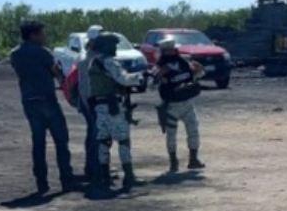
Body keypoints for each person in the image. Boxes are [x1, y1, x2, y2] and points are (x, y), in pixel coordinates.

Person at [9, 20, 75, 195]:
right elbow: (56, 72)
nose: (44, 37)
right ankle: (67, 180)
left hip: (29, 101)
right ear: (33, 34)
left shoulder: (15, 54)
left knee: (38, 143)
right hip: (47, 99)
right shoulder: (43, 52)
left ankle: (41, 183)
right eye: (41, 33)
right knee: (61, 140)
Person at [87, 32, 144, 193]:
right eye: (112, 45)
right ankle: (129, 177)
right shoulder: (109, 61)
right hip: (113, 106)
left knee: (104, 141)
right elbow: (123, 79)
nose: (115, 48)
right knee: (123, 141)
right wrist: (140, 76)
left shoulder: (93, 62)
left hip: (99, 106)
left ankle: (105, 177)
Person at [154, 39, 206, 172]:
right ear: (165, 51)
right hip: (171, 106)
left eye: (174, 49)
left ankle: (193, 159)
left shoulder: (184, 62)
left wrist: (199, 70)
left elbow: (198, 76)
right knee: (171, 135)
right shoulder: (159, 66)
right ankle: (173, 162)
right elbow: (150, 84)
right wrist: (159, 75)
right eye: (171, 49)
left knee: (193, 130)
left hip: (187, 103)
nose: (174, 51)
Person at [73, 25, 104, 183]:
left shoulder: (95, 56)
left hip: (93, 102)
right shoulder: (87, 59)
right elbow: (85, 87)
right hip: (91, 102)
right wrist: (90, 104)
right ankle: (94, 169)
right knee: (95, 135)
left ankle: (95, 167)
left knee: (94, 134)